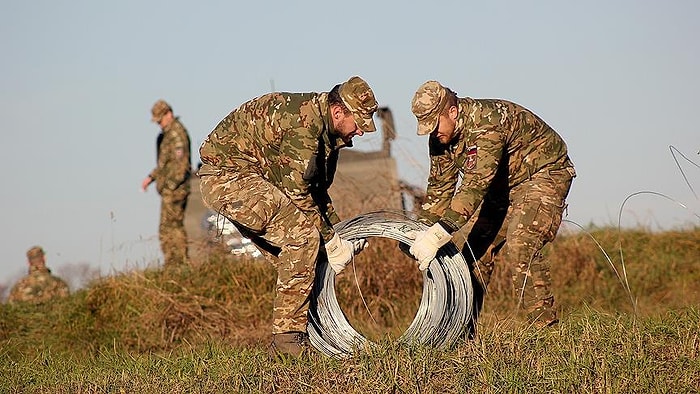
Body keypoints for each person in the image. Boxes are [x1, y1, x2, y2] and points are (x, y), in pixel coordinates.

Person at [198, 76, 378, 356]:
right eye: (359, 123)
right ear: (338, 111)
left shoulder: (327, 132)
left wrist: (340, 231)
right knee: (303, 239)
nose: (361, 132)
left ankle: (312, 333)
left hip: (252, 179)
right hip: (228, 178)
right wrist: (332, 239)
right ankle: (287, 344)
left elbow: (315, 191)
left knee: (304, 255)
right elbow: (298, 193)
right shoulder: (305, 127)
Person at [408, 80, 576, 328]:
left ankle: (545, 330)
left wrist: (437, 236)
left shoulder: (487, 123)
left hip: (543, 174)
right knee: (470, 254)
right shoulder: (440, 139)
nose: (433, 133)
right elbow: (439, 191)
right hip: (501, 188)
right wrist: (419, 233)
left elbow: (474, 186)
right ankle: (461, 332)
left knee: (521, 242)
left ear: (452, 112)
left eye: (434, 124)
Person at [141, 99, 192, 267]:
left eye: (160, 120)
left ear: (168, 114)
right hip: (169, 189)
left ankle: (178, 263)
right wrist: (151, 177)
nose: (159, 124)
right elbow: (164, 164)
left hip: (175, 189)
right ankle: (173, 263)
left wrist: (169, 186)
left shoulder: (176, 134)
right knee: (166, 228)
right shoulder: (166, 135)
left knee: (172, 227)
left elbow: (181, 165)